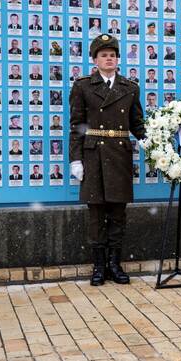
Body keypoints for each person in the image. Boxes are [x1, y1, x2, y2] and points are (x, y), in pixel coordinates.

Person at [69, 34, 145, 286]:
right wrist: (75, 160)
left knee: (118, 214)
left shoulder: (130, 87)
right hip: (94, 156)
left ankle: (115, 263)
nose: (109, 58)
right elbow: (76, 126)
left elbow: (136, 124)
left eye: (112, 55)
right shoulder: (82, 86)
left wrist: (148, 140)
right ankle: (99, 266)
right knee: (96, 214)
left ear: (117, 59)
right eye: (104, 55)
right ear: (95, 60)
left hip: (119, 155)